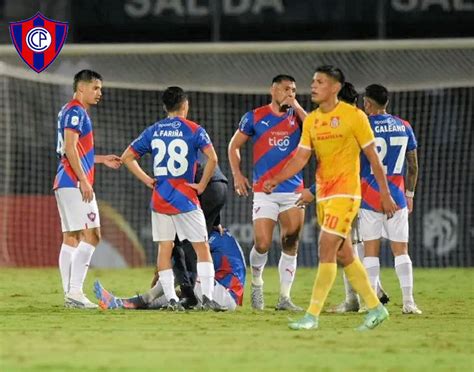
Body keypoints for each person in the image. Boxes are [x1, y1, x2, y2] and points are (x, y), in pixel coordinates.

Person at [263, 65, 397, 331]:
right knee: (346, 255)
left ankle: (311, 316)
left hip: (346, 193)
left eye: (320, 82)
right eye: (313, 81)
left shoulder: (354, 116)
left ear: (335, 88)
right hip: (324, 195)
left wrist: (385, 192)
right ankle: (376, 308)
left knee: (326, 248)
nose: (313, 86)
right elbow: (301, 157)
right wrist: (276, 178)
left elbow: (373, 158)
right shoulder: (312, 120)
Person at [120, 86, 226, 311]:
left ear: (165, 107)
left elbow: (127, 157)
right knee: (202, 248)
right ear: (185, 105)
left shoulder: (154, 130)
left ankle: (171, 299)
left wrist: (148, 180)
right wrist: (202, 184)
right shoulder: (195, 130)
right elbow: (213, 159)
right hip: (186, 198)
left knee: (164, 249)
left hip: (160, 199)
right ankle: (206, 297)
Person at [296, 82, 389, 313]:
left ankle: (358, 299)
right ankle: (371, 293)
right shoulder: (363, 122)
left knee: (343, 248)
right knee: (351, 247)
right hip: (365, 194)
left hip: (347, 194)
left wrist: (312, 191)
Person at [228, 74, 307, 311]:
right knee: (262, 243)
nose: (290, 93)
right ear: (272, 91)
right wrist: (237, 174)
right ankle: (257, 284)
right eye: (285, 89)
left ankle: (284, 298)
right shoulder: (255, 117)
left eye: (293, 90)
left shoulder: (300, 118)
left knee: (290, 242)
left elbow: (316, 129)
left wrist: (297, 107)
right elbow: (234, 146)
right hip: (265, 191)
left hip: (293, 190)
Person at [54, 70, 122, 309]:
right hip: (73, 182)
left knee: (71, 238)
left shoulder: (68, 110)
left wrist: (101, 159)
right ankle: (74, 293)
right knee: (93, 235)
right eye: (95, 88)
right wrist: (83, 180)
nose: (99, 93)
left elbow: (74, 151)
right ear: (81, 88)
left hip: (64, 182)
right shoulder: (75, 112)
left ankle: (70, 294)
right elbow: (71, 149)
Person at [360, 84, 421, 314]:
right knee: (401, 250)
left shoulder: (364, 126)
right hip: (396, 195)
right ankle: (409, 302)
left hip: (369, 195)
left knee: (371, 252)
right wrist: (410, 194)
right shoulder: (404, 126)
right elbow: (413, 165)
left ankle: (372, 304)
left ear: (368, 103)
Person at [93, 228, 246, 311]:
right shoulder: (215, 233)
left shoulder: (209, 237)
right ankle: (121, 303)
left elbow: (181, 261)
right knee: (176, 293)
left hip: (225, 296)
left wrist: (161, 273)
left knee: (182, 266)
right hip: (220, 292)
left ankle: (146, 298)